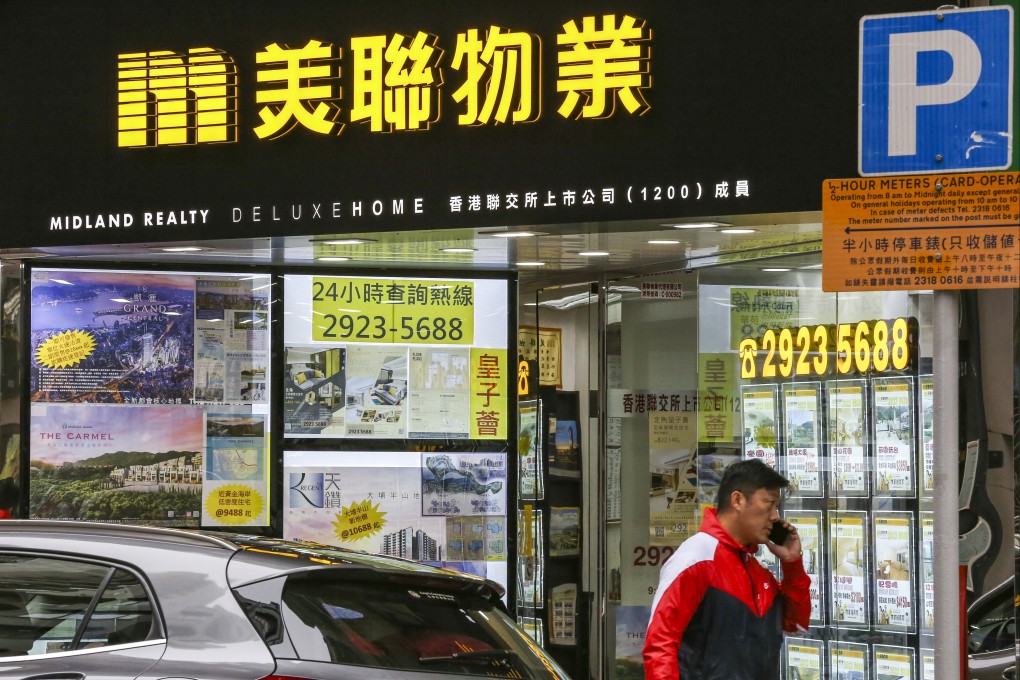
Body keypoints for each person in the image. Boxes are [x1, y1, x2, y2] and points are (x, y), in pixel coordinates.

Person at [643, 460, 810, 680]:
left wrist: (792, 564)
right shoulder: (695, 558)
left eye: (776, 507)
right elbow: (660, 646)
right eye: (769, 503)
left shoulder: (757, 572)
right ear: (738, 500)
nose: (774, 516)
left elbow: (795, 625)